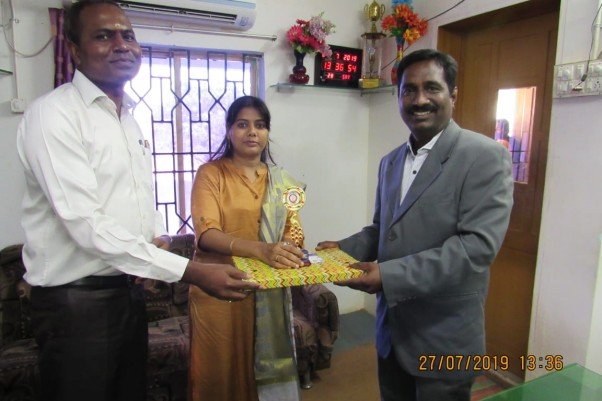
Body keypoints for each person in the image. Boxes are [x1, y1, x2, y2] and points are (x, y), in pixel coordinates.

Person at [16, 2, 258, 401]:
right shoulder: (54, 115)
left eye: (127, 35)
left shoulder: (127, 117)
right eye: (103, 35)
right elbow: (85, 222)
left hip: (128, 292)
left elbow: (128, 199)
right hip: (77, 304)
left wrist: (151, 241)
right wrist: (191, 271)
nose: (122, 45)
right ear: (74, 50)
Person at [317, 49, 514, 401]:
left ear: (453, 94)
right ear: (398, 97)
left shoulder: (484, 156)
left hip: (444, 338)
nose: (419, 100)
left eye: (432, 88)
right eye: (409, 90)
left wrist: (387, 276)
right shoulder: (390, 162)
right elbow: (384, 229)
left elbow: (476, 248)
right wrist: (343, 250)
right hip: (391, 334)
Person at [189, 95, 305, 401]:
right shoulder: (210, 174)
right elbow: (206, 234)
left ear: (267, 132)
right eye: (242, 124)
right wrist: (261, 250)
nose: (252, 132)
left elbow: (293, 230)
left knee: (260, 373)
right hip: (219, 288)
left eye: (260, 125)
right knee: (218, 375)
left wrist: (289, 247)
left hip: (264, 289)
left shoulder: (283, 180)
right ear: (229, 130)